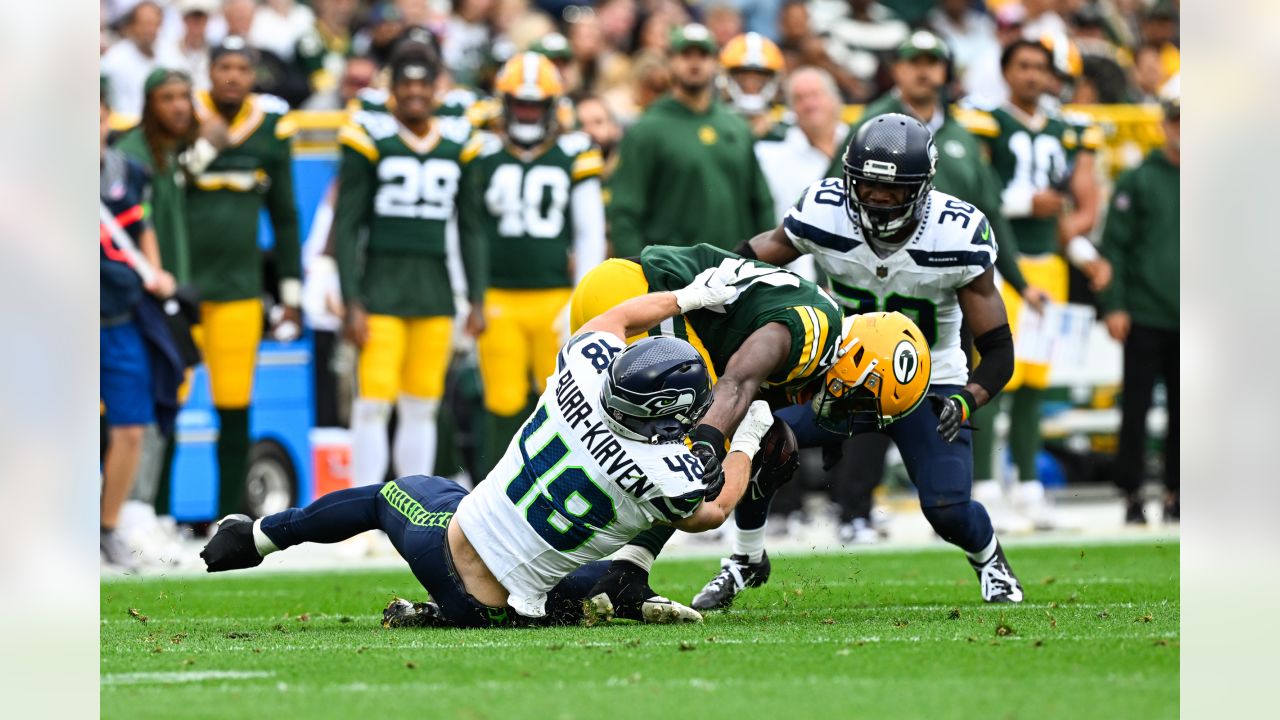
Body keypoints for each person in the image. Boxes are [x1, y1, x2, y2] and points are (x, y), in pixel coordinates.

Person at [202, 285, 782, 627]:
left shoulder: (578, 379)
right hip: (514, 606)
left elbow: (613, 319)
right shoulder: (664, 471)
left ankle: (258, 538)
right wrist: (749, 439)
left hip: (454, 563)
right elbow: (711, 510)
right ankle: (621, 585)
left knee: (392, 497)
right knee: (648, 513)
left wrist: (686, 296)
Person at [690, 114, 1025, 609]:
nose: (877, 200)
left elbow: (998, 352)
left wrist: (967, 400)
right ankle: (745, 558)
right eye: (867, 186)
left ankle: (989, 558)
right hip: (833, 377)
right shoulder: (823, 211)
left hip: (928, 385)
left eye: (893, 192)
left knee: (948, 510)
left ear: (923, 189)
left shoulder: (957, 234)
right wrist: (706, 290)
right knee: (758, 436)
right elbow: (748, 260)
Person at [824, 30, 1039, 540]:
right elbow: (835, 204)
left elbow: (992, 218)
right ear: (896, 69)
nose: (923, 71)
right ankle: (855, 506)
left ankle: (953, 496)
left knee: (944, 390)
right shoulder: (868, 129)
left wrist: (1019, 278)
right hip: (874, 285)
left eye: (932, 62)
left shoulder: (964, 135)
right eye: (913, 61)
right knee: (865, 391)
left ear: (945, 70)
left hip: (946, 294)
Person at [568, 242, 848, 616]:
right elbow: (735, 384)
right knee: (696, 453)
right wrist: (706, 443)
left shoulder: (807, 324)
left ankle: (577, 561)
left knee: (613, 443)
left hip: (611, 290)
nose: (850, 412)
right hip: (636, 292)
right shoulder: (816, 330)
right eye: (860, 403)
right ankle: (623, 575)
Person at [963, 39, 1111, 531]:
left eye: (1039, 68)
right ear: (1005, 71)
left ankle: (1027, 486)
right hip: (1000, 264)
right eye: (1022, 66)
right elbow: (974, 195)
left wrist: (1085, 254)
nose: (1032, 76)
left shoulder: (1067, 130)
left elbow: (1068, 213)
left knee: (1034, 385)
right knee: (992, 378)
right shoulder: (988, 122)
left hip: (1049, 266)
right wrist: (1026, 204)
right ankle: (983, 485)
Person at [333, 42, 486, 491]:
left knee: (421, 404)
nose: (416, 92)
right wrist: (350, 299)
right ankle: (362, 512)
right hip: (380, 289)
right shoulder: (369, 137)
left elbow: (471, 228)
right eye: (407, 83)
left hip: (434, 291)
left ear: (437, 87)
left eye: (424, 83)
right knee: (372, 404)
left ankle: (407, 506)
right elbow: (346, 225)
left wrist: (476, 296)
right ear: (392, 88)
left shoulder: (458, 141)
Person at [462, 52, 606, 476]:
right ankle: (491, 487)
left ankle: (557, 486)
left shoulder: (573, 151)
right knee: (501, 401)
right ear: (503, 104)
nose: (526, 113)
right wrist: (467, 293)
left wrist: (581, 299)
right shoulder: (481, 149)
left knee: (567, 401)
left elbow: (590, 231)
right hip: (498, 296)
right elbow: (464, 226)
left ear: (552, 106)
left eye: (535, 105)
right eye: (520, 104)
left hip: (555, 297)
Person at [187, 37, 302, 520]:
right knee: (164, 405)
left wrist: (292, 293)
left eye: (241, 67)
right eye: (224, 66)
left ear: (253, 75)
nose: (232, 76)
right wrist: (200, 146)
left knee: (234, 405)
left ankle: (226, 516)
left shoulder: (271, 128)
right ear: (209, 71)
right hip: (184, 289)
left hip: (238, 289)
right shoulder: (182, 112)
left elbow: (286, 216)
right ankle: (145, 514)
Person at [606, 23, 774, 256]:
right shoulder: (646, 129)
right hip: (672, 275)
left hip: (736, 273)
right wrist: (637, 271)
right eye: (686, 55)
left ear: (715, 63)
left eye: (703, 55)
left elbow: (761, 204)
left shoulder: (736, 125)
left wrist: (769, 267)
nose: (694, 63)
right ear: (670, 62)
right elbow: (625, 212)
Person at [100, 86, 178, 569]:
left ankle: (107, 529)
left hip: (120, 313)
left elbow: (140, 227)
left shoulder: (123, 169)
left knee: (131, 427)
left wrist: (156, 271)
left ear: (107, 117)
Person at [1100, 94, 1179, 525]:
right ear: (1165, 125)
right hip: (1145, 311)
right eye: (1178, 120)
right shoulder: (1138, 179)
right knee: (1136, 407)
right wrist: (1114, 305)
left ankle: (1179, 490)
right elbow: (1115, 246)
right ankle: (1131, 491)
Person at [101, 1, 183, 117]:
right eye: (145, 24)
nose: (149, 30)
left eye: (154, 24)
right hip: (125, 127)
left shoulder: (169, 52)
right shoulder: (113, 59)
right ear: (132, 26)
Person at [718, 31, 787, 140]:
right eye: (743, 77)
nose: (750, 84)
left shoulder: (787, 122)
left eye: (760, 78)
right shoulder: (715, 119)